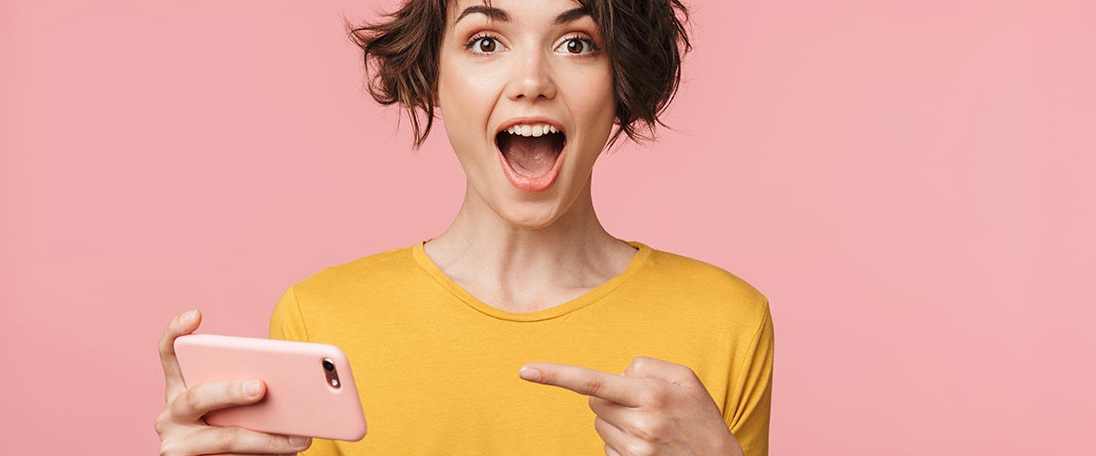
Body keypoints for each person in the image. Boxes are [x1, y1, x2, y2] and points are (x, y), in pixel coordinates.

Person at [155, 0, 774, 454]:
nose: (532, 83)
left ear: (621, 82)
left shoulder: (727, 322)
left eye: (577, 43)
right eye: (485, 41)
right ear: (432, 77)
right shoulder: (320, 320)